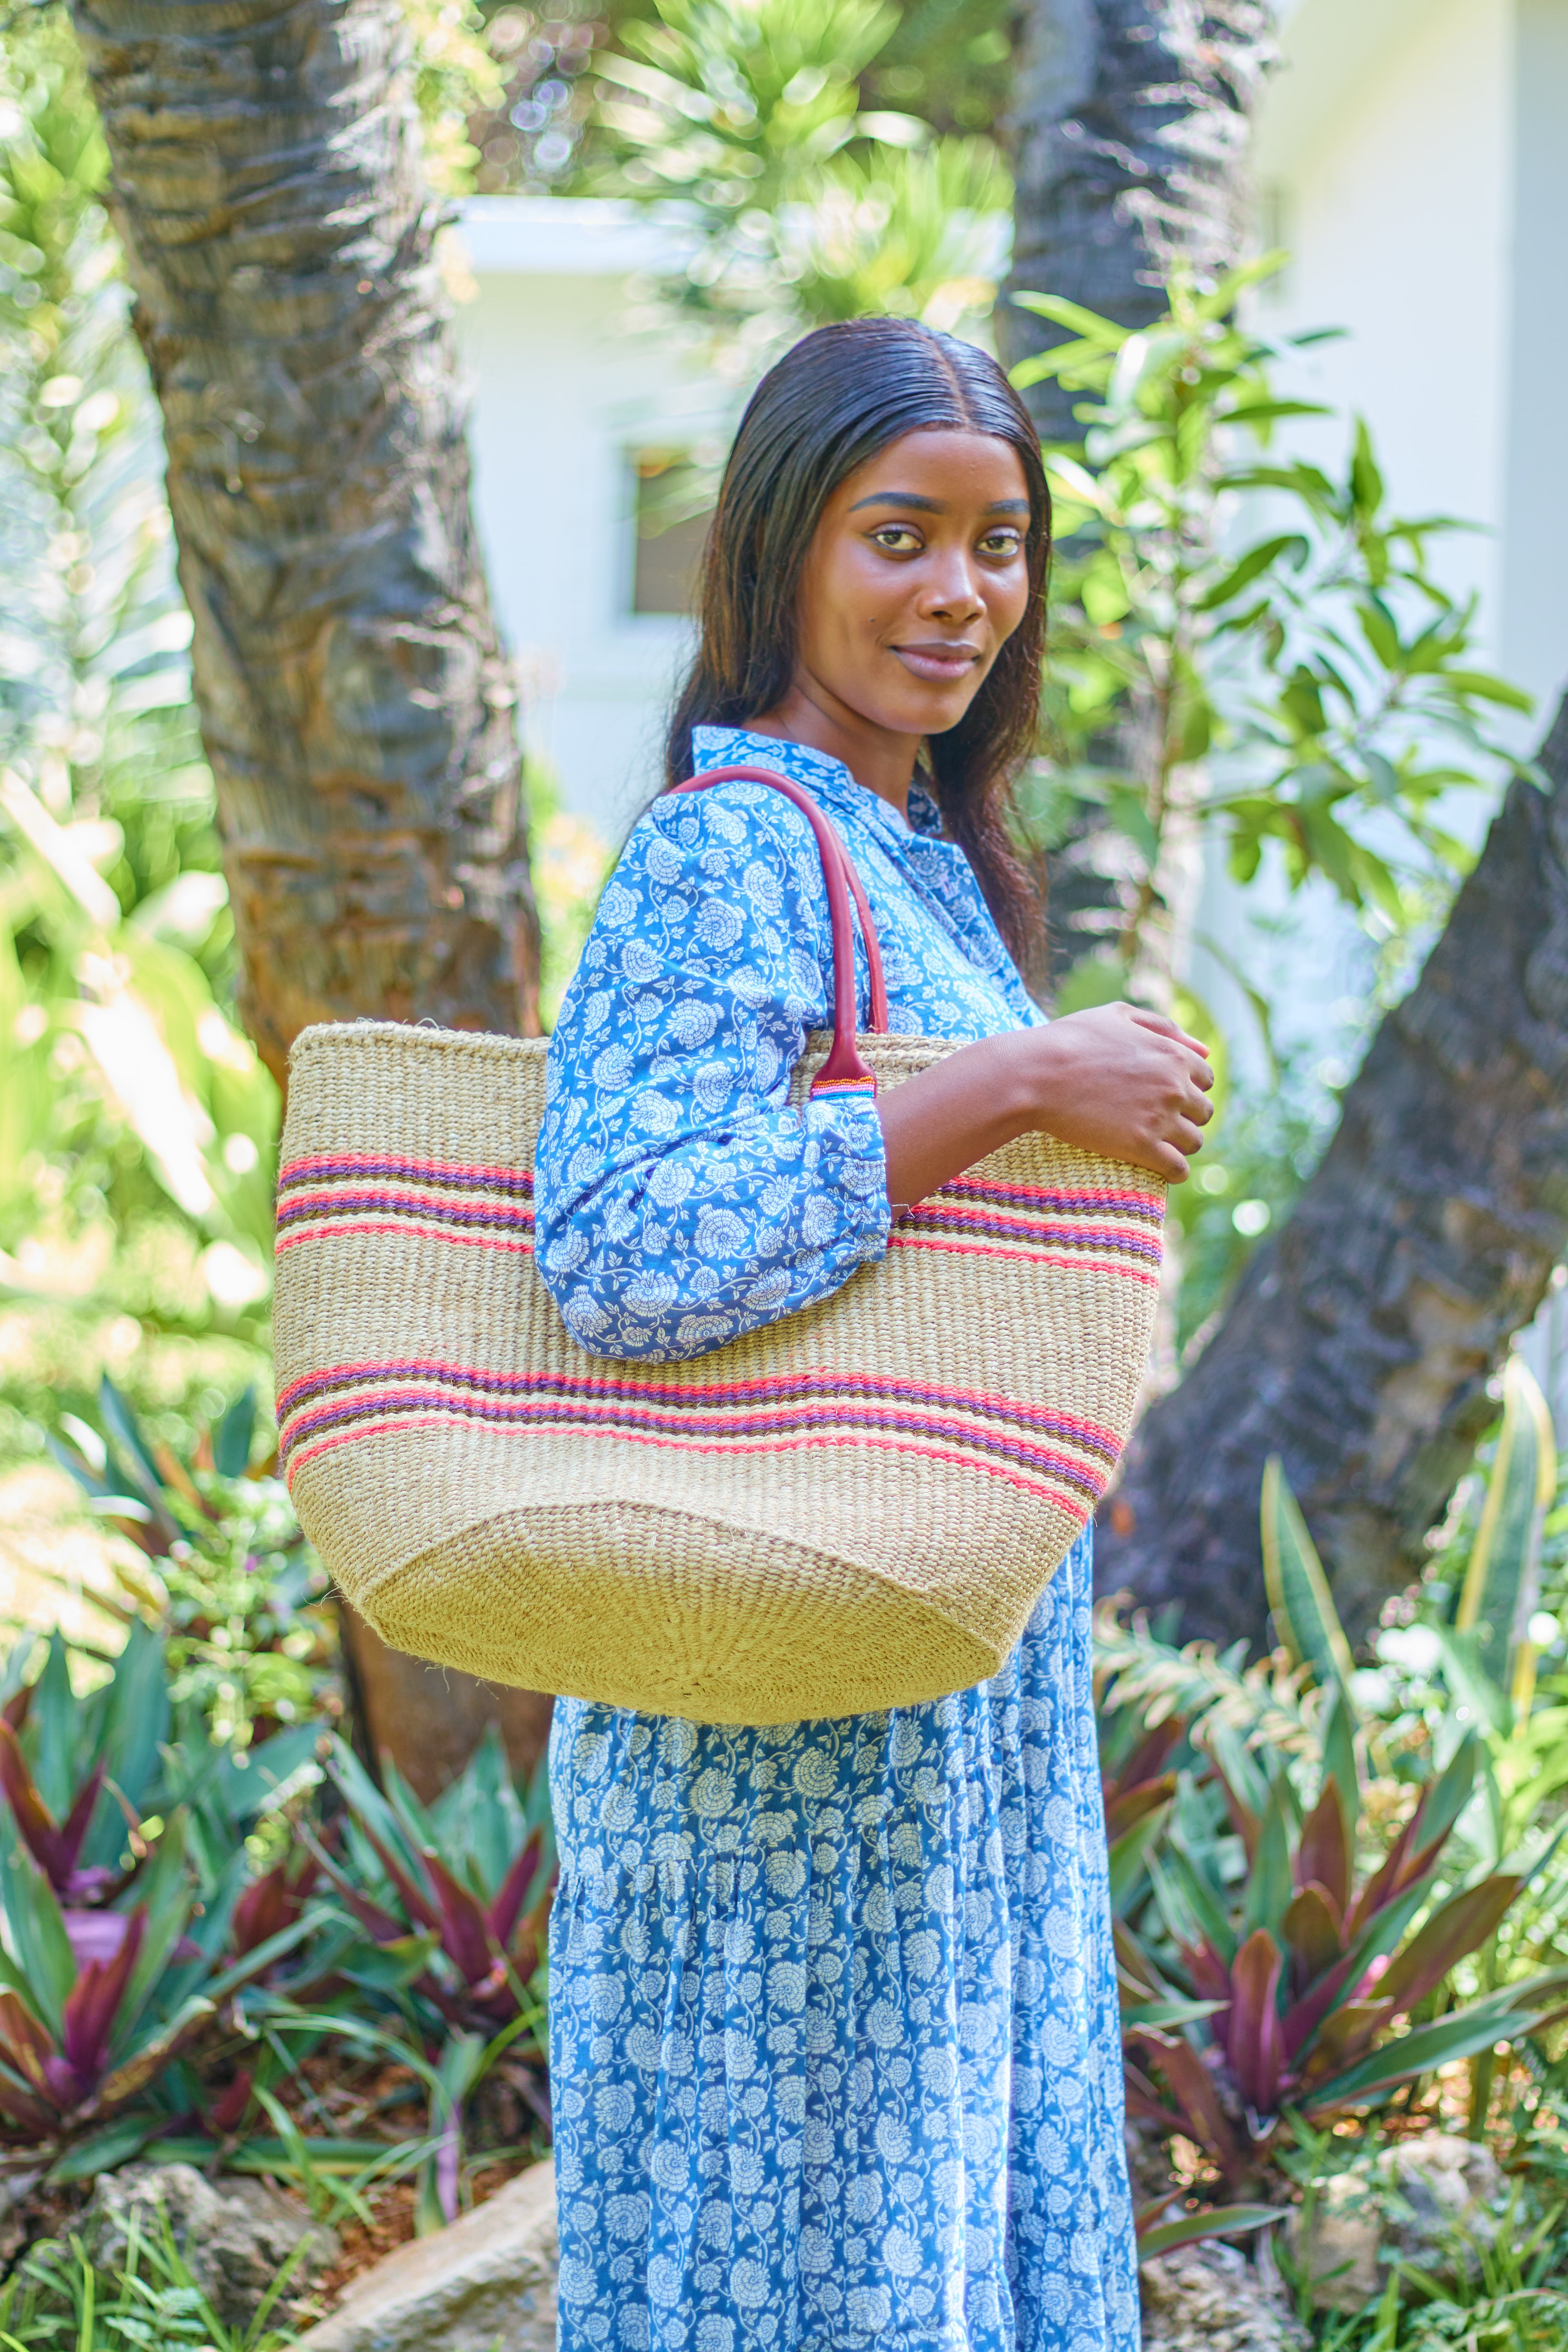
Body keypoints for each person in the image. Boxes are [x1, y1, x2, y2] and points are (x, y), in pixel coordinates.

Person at [535, 316, 1213, 2352]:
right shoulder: (732, 847)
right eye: (899, 535)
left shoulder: (913, 857)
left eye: (1000, 546)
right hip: (773, 1738)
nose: (961, 596)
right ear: (779, 553)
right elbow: (628, 1244)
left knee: (899, 2253)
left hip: (918, 1716)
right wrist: (1014, 1084)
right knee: (805, 2274)